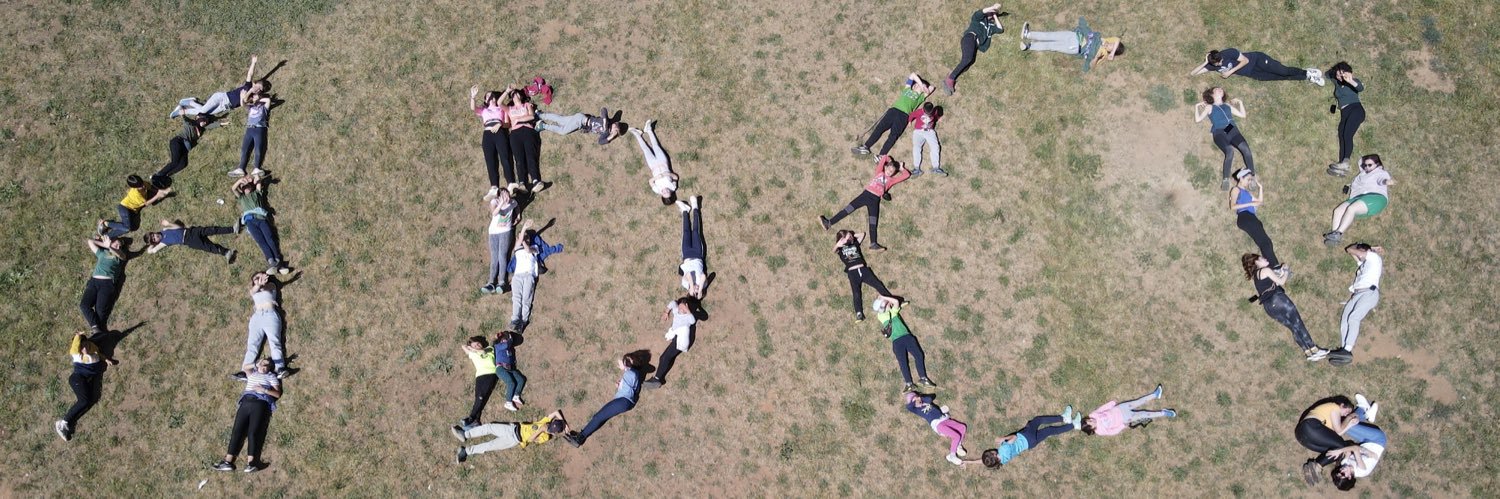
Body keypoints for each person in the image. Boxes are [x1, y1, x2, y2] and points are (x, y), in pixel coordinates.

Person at [1243, 253, 1331, 361]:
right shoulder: (1265, 270)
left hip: (1269, 307)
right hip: (1278, 300)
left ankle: (1308, 352)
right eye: (1261, 258)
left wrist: (1282, 272)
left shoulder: (1256, 277)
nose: (1265, 258)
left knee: (1293, 327)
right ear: (1256, 263)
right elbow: (1281, 281)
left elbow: (1275, 283)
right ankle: (1315, 349)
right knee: (1298, 323)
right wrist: (1285, 270)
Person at [819, 155, 912, 250]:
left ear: (894, 173)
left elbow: (907, 175)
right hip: (865, 195)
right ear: (886, 167)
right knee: (847, 210)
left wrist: (901, 168)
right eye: (888, 169)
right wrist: (891, 161)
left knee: (873, 222)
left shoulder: (892, 180)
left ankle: (873, 244)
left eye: (892, 172)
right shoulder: (879, 172)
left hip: (875, 200)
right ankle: (828, 223)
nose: (889, 172)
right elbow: (884, 157)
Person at [212, 359, 282, 473]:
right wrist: (256, 364)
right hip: (245, 402)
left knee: (253, 432)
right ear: (258, 365)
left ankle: (251, 463)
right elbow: (245, 367)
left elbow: (277, 394)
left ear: (270, 368)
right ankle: (228, 462)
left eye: (267, 365)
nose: (264, 367)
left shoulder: (271, 376)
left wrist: (264, 390)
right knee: (237, 431)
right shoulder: (252, 374)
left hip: (260, 403)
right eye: (262, 364)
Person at [563, 353, 645, 447]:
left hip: (623, 401)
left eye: (626, 361)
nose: (624, 362)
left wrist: (625, 367)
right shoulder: (634, 374)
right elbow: (631, 389)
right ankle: (581, 436)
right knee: (601, 417)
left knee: (599, 417)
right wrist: (620, 386)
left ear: (631, 363)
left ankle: (579, 438)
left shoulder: (632, 372)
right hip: (625, 402)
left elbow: (630, 374)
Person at [964, 406, 1080, 468]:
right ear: (993, 454)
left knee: (1049, 431)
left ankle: (1074, 425)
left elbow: (983, 462)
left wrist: (968, 462)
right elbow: (1014, 437)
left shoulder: (1002, 461)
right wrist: (1002, 438)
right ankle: (1064, 418)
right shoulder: (1003, 449)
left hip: (1030, 444)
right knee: (1038, 420)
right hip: (1026, 436)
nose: (991, 450)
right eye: (990, 451)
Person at [55, 331, 119, 441]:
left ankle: (69, 422)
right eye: (81, 347)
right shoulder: (77, 355)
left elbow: (99, 355)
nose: (85, 347)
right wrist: (77, 336)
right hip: (77, 379)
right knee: (84, 401)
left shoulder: (93, 349)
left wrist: (106, 360)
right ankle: (62, 423)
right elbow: (75, 346)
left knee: (89, 401)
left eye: (85, 344)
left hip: (85, 380)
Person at [1326, 244, 1384, 365]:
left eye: (1360, 251)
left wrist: (1371, 249)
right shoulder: (1363, 264)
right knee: (1345, 319)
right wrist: (1360, 248)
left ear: (1367, 251)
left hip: (1369, 293)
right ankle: (1344, 350)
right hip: (1358, 294)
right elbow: (1350, 250)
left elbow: (1352, 250)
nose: (1359, 254)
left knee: (1353, 318)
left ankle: (1347, 349)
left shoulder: (1374, 257)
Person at [852, 74, 933, 157]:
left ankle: (881, 155)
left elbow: (931, 88)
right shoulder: (907, 89)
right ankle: (866, 146)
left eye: (921, 87)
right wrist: (921, 84)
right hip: (893, 111)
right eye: (917, 84)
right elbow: (912, 75)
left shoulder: (920, 97)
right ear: (914, 85)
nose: (919, 86)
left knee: (893, 136)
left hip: (904, 116)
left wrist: (924, 89)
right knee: (879, 128)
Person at [1323, 154, 1394, 245]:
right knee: (1338, 210)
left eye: (1370, 165)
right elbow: (1360, 161)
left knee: (1352, 208)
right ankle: (1334, 236)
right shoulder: (1363, 173)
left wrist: (1386, 181)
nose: (1367, 167)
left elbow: (1381, 180)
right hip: (1359, 197)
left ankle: (1338, 233)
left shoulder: (1381, 173)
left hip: (1376, 197)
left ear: (1377, 164)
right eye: (1365, 165)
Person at [825, 230, 893, 322]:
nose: (850, 238)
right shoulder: (840, 249)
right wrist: (838, 244)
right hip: (852, 273)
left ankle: (893, 300)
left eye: (850, 236)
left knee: (878, 284)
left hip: (864, 270)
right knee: (856, 293)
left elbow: (862, 234)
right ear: (841, 239)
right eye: (847, 237)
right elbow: (833, 251)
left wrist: (851, 235)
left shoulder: (854, 244)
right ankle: (859, 313)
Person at [453, 410, 568, 463]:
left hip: (514, 440)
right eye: (550, 426)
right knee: (489, 427)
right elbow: (555, 412)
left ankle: (466, 452)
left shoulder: (546, 437)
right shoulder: (545, 422)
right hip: (513, 428)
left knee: (489, 446)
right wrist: (565, 423)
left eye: (551, 429)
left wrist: (541, 430)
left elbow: (530, 439)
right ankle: (465, 434)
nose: (548, 428)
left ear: (553, 433)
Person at [1194, 87, 1254, 190]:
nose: (1220, 89)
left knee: (1246, 150)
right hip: (1219, 132)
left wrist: (1240, 102)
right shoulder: (1210, 107)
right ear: (1212, 95)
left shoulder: (1227, 105)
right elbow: (1198, 119)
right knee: (1230, 151)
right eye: (1217, 89)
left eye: (1221, 89)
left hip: (1231, 129)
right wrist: (1196, 107)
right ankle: (1225, 179)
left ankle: (1252, 177)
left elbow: (1243, 115)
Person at [873, 296, 936, 393]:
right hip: (897, 342)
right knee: (903, 362)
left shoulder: (893, 312)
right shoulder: (881, 316)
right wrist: (882, 298)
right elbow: (884, 306)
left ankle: (923, 378)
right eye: (887, 303)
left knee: (919, 355)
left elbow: (895, 302)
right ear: (883, 306)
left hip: (907, 337)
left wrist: (884, 298)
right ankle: (909, 383)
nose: (890, 303)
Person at [1229, 169, 1285, 274]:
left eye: (1250, 179)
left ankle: (1274, 268)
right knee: (1265, 242)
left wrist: (1261, 188)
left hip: (1251, 218)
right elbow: (1232, 206)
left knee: (1266, 242)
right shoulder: (1235, 190)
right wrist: (1250, 204)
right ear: (1241, 178)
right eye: (1248, 179)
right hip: (1245, 216)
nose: (1249, 182)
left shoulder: (1247, 193)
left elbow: (1259, 202)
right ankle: (1276, 269)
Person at [172, 55, 263, 118]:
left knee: (205, 112)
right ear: (255, 84)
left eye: (260, 90)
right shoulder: (248, 86)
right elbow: (250, 74)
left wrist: (252, 93)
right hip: (221, 98)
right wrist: (253, 63)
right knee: (202, 111)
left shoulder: (252, 98)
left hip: (224, 106)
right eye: (258, 87)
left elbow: (244, 101)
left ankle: (189, 102)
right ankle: (182, 111)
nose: (258, 90)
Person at [1326, 394, 1386, 490]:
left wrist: (1346, 452)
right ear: (1349, 477)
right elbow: (1355, 448)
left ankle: (1366, 414)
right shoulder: (1361, 471)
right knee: (1345, 425)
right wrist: (1340, 451)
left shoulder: (1345, 464)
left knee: (1343, 426)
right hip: (1378, 439)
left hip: (1365, 441)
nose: (1341, 470)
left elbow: (1351, 448)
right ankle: (1364, 410)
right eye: (1342, 474)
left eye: (1338, 472)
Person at [233, 174, 290, 274]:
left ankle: (278, 260)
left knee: (270, 239)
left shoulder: (257, 193)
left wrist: (253, 178)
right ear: (241, 190)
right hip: (250, 223)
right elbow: (233, 188)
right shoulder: (242, 198)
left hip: (261, 220)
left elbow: (258, 179)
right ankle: (271, 262)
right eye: (243, 187)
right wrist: (240, 180)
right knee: (261, 242)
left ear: (252, 186)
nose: (246, 188)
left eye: (248, 186)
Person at [1017, 18, 1123, 72]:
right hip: (1074, 36)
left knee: (1051, 46)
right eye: (1112, 43)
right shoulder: (1106, 40)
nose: (1111, 43)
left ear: (1110, 52)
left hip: (1076, 47)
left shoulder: (1103, 54)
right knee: (1051, 35)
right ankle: (1028, 34)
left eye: (1112, 46)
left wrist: (1096, 57)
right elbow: (1118, 39)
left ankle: (1029, 46)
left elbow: (1091, 66)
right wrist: (1112, 52)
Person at [943, 3, 1004, 95]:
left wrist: (995, 15)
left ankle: (952, 76)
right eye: (990, 13)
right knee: (967, 59)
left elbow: (1000, 29)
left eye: (992, 14)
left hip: (974, 44)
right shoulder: (978, 19)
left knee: (968, 64)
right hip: (970, 38)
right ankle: (950, 79)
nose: (991, 14)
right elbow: (980, 12)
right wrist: (992, 8)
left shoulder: (990, 27)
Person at [1295, 396, 1357, 486]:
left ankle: (1311, 468)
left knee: (1338, 452)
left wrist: (1349, 424)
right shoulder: (1334, 407)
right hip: (1310, 426)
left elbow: (1337, 435)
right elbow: (1339, 431)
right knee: (1340, 446)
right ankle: (1317, 466)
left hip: (1302, 436)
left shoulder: (1328, 422)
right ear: (1342, 405)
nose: (1345, 415)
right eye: (1347, 411)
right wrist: (1350, 421)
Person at [237, 272, 289, 377]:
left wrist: (261, 284)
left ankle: (280, 368)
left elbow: (265, 288)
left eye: (262, 276)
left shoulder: (271, 285)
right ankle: (245, 371)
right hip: (257, 317)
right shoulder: (253, 290)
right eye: (257, 277)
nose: (260, 278)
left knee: (275, 342)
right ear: (253, 281)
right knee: (252, 345)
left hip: (270, 315)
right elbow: (253, 291)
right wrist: (258, 285)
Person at [79, 235, 131, 334]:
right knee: (84, 305)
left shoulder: (119, 256)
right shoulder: (102, 252)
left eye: (120, 246)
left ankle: (97, 332)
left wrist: (110, 247)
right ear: (111, 241)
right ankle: (96, 329)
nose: (118, 247)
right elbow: (90, 241)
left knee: (100, 312)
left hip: (107, 284)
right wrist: (105, 245)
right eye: (116, 244)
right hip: (94, 282)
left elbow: (123, 256)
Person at [151, 115, 224, 186]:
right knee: (175, 162)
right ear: (198, 118)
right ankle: (158, 175)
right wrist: (183, 114)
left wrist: (222, 124)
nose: (204, 122)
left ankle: (166, 176)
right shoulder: (191, 123)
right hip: (178, 142)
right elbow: (186, 120)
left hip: (185, 148)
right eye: (203, 120)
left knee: (183, 164)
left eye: (206, 122)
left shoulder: (202, 129)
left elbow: (211, 125)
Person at [469, 85, 515, 197]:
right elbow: (473, 108)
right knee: (490, 161)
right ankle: (494, 187)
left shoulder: (501, 108)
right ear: (485, 100)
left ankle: (511, 183)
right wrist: (473, 97)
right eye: (487, 96)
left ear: (495, 98)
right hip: (487, 135)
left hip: (500, 132)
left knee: (505, 157)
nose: (490, 97)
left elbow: (508, 124)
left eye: (492, 96)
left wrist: (500, 124)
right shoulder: (484, 110)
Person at [1080, 384, 1176, 436]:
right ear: (1091, 428)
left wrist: (1112, 403)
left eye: (1089, 420)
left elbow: (1102, 408)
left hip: (1120, 408)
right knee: (1144, 414)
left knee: (1138, 401)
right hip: (1125, 418)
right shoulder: (1100, 431)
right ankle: (1164, 413)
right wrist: (1122, 426)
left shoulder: (1093, 415)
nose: (1092, 420)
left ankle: (1155, 394)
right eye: (1091, 423)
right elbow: (1112, 432)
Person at [1191, 48, 1324, 85]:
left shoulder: (1228, 52)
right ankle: (1307, 77)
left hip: (1257, 60)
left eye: (1220, 61)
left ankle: (1307, 72)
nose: (1220, 64)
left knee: (1283, 71)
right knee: (1280, 77)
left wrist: (1230, 72)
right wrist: (1205, 62)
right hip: (1253, 73)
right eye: (1217, 64)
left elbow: (1245, 61)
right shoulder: (1212, 65)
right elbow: (1193, 73)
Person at [643, 298, 697, 389]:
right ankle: (659, 378)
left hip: (681, 340)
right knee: (668, 358)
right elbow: (672, 303)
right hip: (676, 338)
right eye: (680, 307)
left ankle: (657, 379)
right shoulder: (676, 312)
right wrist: (666, 312)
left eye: (684, 308)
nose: (681, 309)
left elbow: (693, 321)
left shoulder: (688, 317)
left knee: (664, 357)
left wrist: (687, 310)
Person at [904, 392, 969, 465]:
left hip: (945, 419)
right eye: (913, 399)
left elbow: (930, 398)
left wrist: (921, 398)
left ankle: (958, 445)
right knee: (956, 436)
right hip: (937, 424)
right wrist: (915, 402)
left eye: (916, 397)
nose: (916, 400)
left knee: (962, 427)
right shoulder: (916, 410)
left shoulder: (925, 402)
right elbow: (908, 407)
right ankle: (952, 456)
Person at [98, 175, 171, 238]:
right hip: (125, 208)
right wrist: (157, 195)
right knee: (127, 228)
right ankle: (106, 223)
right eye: (140, 186)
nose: (143, 186)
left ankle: (107, 236)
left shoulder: (143, 183)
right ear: (134, 187)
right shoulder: (136, 194)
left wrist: (161, 191)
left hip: (133, 211)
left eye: (142, 183)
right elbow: (146, 203)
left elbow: (150, 187)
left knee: (126, 228)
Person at [1325, 62, 1366, 176]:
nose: (1339, 77)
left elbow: (1360, 88)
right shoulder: (1337, 83)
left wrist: (1350, 79)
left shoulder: (1353, 81)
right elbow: (1327, 74)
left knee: (1347, 134)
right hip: (1345, 113)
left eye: (1341, 74)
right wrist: (1336, 72)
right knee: (1341, 134)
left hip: (1356, 110)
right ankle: (1341, 165)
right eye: (1338, 75)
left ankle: (1346, 163)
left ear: (1348, 73)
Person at [629, 120, 679, 204]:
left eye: (664, 193)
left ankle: (637, 134)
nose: (665, 191)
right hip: (663, 162)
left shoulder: (657, 190)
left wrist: (657, 177)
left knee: (645, 150)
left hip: (653, 165)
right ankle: (649, 130)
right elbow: (676, 177)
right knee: (656, 146)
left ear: (662, 196)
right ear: (671, 193)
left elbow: (650, 182)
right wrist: (667, 174)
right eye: (668, 192)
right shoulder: (673, 187)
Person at [227, 90, 274, 178]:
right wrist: (242, 97)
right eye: (253, 96)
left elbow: (268, 100)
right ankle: (241, 168)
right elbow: (243, 104)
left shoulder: (264, 107)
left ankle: (256, 168)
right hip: (249, 129)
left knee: (258, 148)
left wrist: (258, 98)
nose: (254, 97)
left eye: (256, 95)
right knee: (244, 149)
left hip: (259, 128)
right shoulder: (251, 107)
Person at [480, 186, 518, 294]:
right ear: (499, 196)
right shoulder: (494, 202)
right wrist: (501, 203)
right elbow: (494, 213)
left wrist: (518, 216)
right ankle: (491, 282)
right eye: (504, 195)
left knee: (502, 255)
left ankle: (502, 282)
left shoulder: (513, 202)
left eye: (507, 193)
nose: (507, 196)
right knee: (494, 257)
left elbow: (517, 207)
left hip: (505, 231)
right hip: (493, 232)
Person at [144, 219, 238, 262]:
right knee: (209, 247)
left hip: (191, 231)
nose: (155, 236)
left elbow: (179, 227)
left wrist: (169, 224)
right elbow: (150, 251)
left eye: (153, 235)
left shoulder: (164, 230)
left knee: (212, 229)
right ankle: (226, 253)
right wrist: (151, 243)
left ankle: (233, 229)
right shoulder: (162, 243)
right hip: (189, 241)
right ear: (155, 242)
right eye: (154, 239)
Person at [457, 335, 498, 431]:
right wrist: (472, 348)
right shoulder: (473, 354)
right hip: (479, 376)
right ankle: (476, 421)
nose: (477, 346)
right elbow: (463, 346)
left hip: (490, 374)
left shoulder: (489, 349)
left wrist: (473, 349)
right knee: (479, 398)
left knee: (481, 397)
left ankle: (471, 418)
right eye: (475, 345)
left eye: (478, 343)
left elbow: (482, 352)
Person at [507, 91, 545, 192]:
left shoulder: (527, 105)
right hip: (515, 134)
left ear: (521, 95)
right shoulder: (509, 108)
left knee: (531, 156)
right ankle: (522, 183)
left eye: (517, 93)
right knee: (519, 159)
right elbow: (499, 103)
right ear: (511, 98)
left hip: (528, 130)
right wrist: (507, 91)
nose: (515, 95)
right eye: (513, 95)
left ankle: (536, 180)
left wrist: (518, 120)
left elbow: (532, 116)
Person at [509, 220, 540, 333]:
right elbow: (520, 242)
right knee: (516, 299)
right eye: (522, 237)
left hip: (528, 276)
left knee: (526, 299)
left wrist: (524, 240)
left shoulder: (534, 248)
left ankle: (523, 321)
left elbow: (527, 249)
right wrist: (523, 228)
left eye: (527, 237)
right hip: (517, 277)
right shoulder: (516, 248)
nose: (524, 239)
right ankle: (515, 320)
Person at [538, 107, 623, 145]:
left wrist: (611, 136)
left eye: (616, 130)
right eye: (616, 126)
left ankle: (540, 115)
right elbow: (604, 110)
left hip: (580, 122)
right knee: (563, 131)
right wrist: (605, 122)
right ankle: (543, 125)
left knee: (560, 120)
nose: (615, 126)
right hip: (581, 120)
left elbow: (600, 142)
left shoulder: (605, 133)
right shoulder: (608, 122)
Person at [677, 195, 708, 299]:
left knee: (685, 232)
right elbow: (703, 276)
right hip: (698, 253)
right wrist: (700, 289)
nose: (696, 290)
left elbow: (688, 275)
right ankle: (695, 207)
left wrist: (690, 286)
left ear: (689, 292)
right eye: (697, 293)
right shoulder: (702, 284)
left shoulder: (685, 284)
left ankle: (685, 211)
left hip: (686, 255)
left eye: (694, 293)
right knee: (695, 231)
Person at [907, 103, 946, 177]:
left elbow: (936, 116)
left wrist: (938, 118)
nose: (929, 114)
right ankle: (916, 168)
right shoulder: (919, 111)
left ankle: (936, 167)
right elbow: (911, 115)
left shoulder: (934, 112)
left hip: (930, 131)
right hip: (918, 131)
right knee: (916, 147)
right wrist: (909, 121)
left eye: (930, 113)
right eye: (927, 113)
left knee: (935, 147)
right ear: (923, 109)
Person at [492, 330, 528, 411]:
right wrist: (509, 339)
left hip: (511, 368)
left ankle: (516, 395)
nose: (506, 340)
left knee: (521, 379)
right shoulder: (498, 345)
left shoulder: (510, 348)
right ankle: (508, 402)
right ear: (500, 340)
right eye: (504, 339)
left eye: (507, 339)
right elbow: (505, 345)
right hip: (500, 368)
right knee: (511, 383)